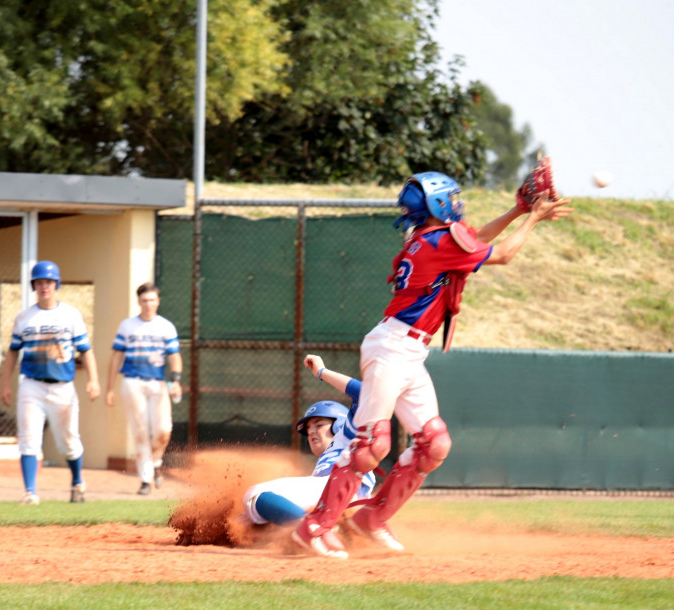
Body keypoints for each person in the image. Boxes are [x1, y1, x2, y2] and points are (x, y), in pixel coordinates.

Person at [292, 171, 574, 559]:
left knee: (433, 444)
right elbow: (504, 254)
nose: (457, 203)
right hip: (393, 347)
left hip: (408, 350)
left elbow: (475, 240)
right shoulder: (438, 240)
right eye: (451, 198)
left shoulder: (432, 238)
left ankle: (370, 521)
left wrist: (517, 209)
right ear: (438, 205)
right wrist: (533, 218)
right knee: (370, 445)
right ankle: (315, 528)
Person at [0, 260, 100, 505]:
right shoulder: (24, 317)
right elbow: (13, 351)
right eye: (39, 282)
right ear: (34, 285)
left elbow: (85, 350)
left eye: (48, 282)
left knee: (68, 441)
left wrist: (94, 380)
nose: (44, 286)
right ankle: (30, 492)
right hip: (31, 385)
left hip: (62, 386)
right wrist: (6, 384)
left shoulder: (70, 314)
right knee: (28, 439)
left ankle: (77, 482)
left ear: (57, 284)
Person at [242, 356, 376, 526]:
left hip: (338, 487)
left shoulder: (347, 435)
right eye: (308, 429)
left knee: (255, 494)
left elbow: (364, 393)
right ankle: (326, 531)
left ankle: (311, 530)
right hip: (347, 500)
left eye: (319, 424)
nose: (311, 431)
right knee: (255, 516)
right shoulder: (332, 458)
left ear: (340, 425)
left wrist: (322, 372)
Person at [105, 282, 182, 495]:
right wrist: (110, 389)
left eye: (152, 300)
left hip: (157, 383)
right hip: (133, 382)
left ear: (158, 302)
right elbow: (116, 357)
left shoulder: (166, 326)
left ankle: (156, 464)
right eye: (144, 300)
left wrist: (175, 379)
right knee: (140, 431)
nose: (148, 304)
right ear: (139, 302)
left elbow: (174, 356)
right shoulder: (128, 326)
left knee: (163, 431)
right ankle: (145, 480)